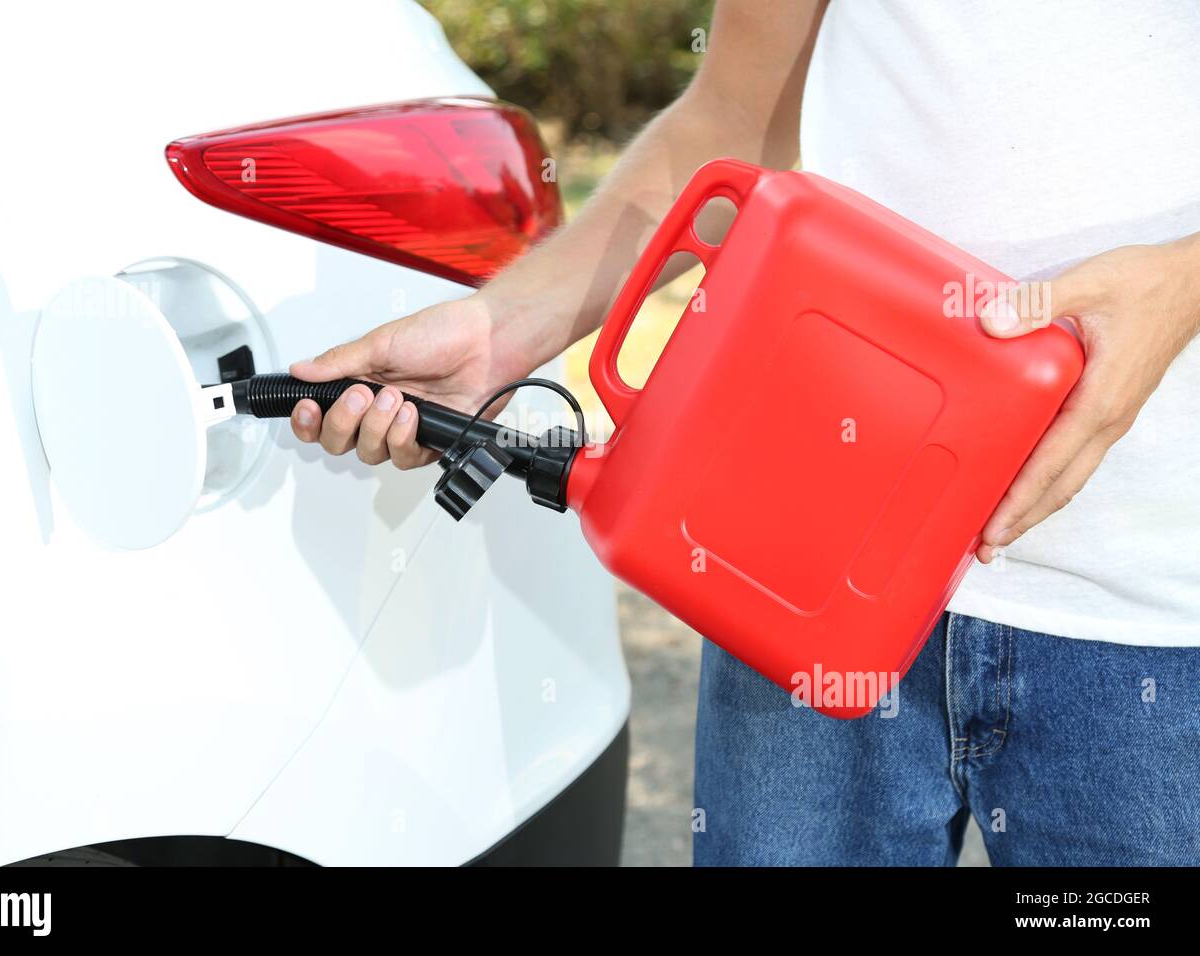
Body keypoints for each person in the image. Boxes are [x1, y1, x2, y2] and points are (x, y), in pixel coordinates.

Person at [287, 0, 1200, 865]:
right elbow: (730, 118)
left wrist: (1182, 285)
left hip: (1151, 619)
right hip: (787, 562)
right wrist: (497, 337)